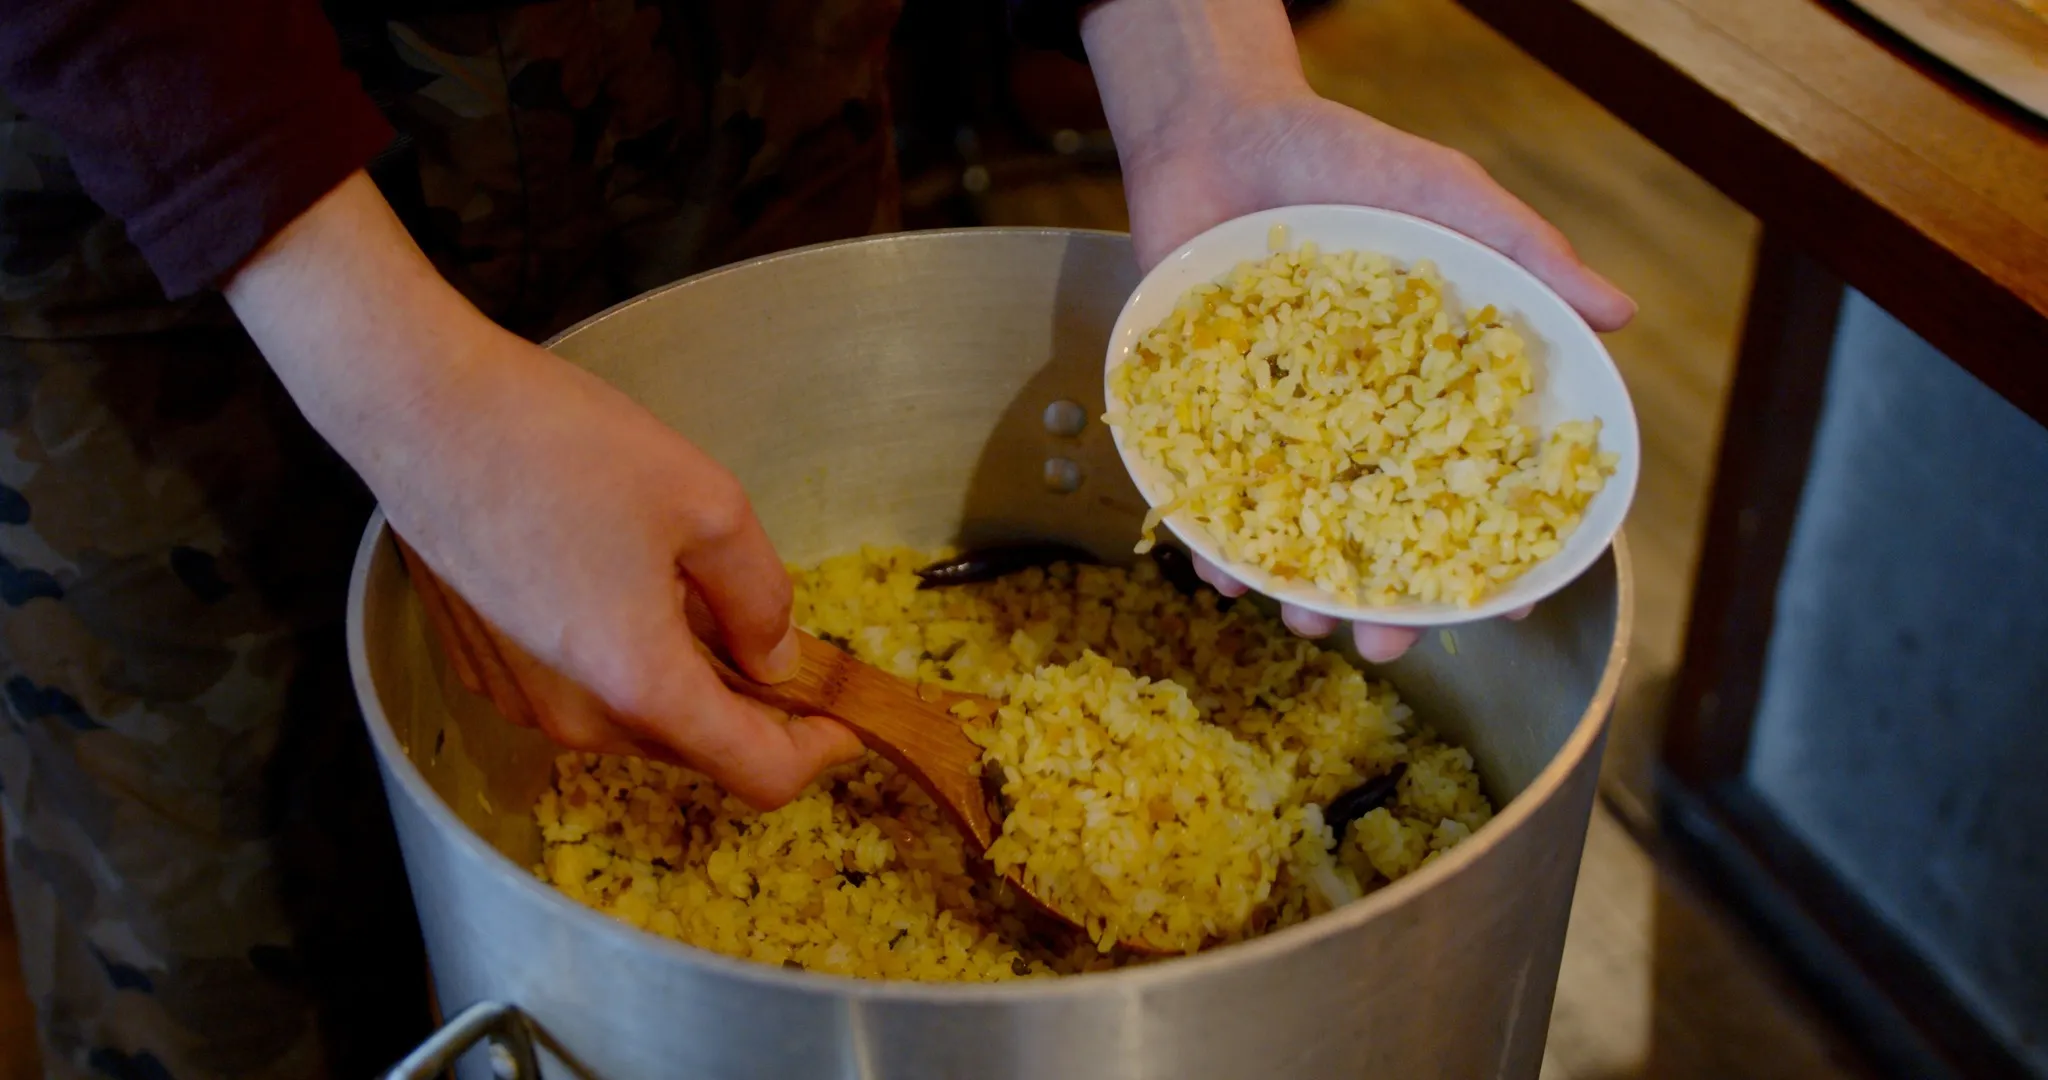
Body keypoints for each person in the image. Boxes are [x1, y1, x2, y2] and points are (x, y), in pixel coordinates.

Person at [0, 0, 1633, 1074]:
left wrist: (1203, 67)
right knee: (222, 983)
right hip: (158, 213)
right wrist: (408, 393)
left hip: (721, 81)